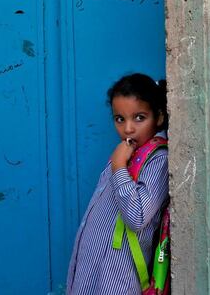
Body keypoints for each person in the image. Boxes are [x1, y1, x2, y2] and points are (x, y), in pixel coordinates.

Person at [67, 73, 169, 295]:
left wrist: (119, 167)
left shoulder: (157, 159)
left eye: (139, 118)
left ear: (159, 117)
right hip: (92, 274)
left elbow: (137, 216)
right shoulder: (125, 154)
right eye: (120, 119)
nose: (128, 129)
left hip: (116, 279)